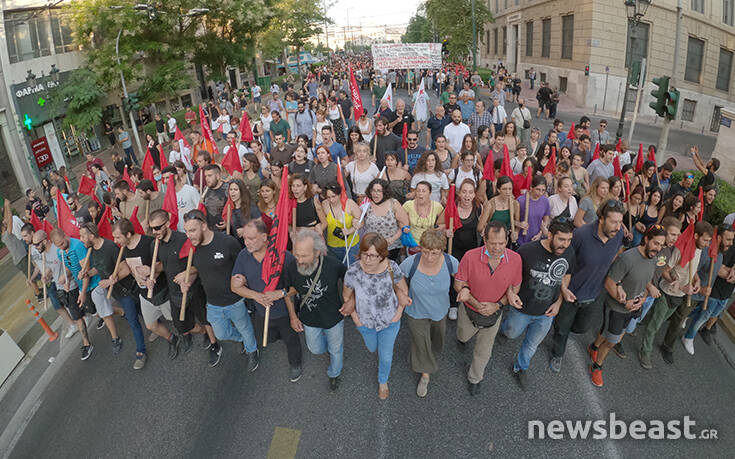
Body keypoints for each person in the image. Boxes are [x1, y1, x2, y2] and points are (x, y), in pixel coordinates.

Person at [549, 200, 625, 373]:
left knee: (581, 328)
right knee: (562, 329)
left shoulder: (618, 234)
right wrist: (562, 290)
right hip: (571, 293)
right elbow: (565, 263)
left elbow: (615, 257)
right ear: (601, 219)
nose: (617, 226)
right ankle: (557, 353)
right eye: (613, 221)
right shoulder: (581, 235)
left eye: (620, 222)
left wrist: (617, 283)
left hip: (594, 294)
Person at [499, 218, 575, 389]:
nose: (565, 244)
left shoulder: (569, 252)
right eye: (561, 239)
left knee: (532, 344)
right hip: (522, 308)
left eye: (569, 240)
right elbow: (510, 275)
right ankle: (503, 330)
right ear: (550, 234)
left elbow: (566, 275)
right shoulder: (527, 251)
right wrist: (510, 293)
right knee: (511, 333)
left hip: (546, 312)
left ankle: (520, 367)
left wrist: (559, 302)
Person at [589, 226, 667, 387]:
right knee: (612, 341)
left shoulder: (653, 259)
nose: (658, 248)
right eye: (656, 243)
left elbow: (646, 281)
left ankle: (594, 346)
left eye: (661, 245)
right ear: (646, 239)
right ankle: (597, 366)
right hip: (617, 308)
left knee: (609, 334)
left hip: (634, 308)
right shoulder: (627, 258)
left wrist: (644, 297)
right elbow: (609, 283)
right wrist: (624, 302)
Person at [183, 209, 259, 369]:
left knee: (244, 327)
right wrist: (187, 281)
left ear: (203, 226)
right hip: (212, 303)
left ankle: (252, 350)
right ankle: (242, 340)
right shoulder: (192, 249)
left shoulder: (226, 242)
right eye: (186, 231)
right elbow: (198, 269)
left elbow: (244, 261)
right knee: (221, 334)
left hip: (234, 299)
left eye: (192, 230)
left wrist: (245, 279)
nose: (189, 235)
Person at [455, 221, 523, 395]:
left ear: (507, 240)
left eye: (501, 243)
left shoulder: (515, 260)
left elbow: (514, 289)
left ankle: (475, 378)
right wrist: (465, 293)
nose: (497, 248)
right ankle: (462, 339)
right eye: (492, 243)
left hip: (494, 314)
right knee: (463, 335)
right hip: (469, 310)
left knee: (483, 352)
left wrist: (498, 305)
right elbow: (459, 282)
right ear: (484, 239)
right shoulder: (470, 257)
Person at [231, 219, 302, 381]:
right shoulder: (243, 256)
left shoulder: (284, 256)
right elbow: (235, 287)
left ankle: (296, 363)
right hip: (261, 310)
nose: (247, 243)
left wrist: (280, 294)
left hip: (285, 311)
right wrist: (256, 295)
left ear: (264, 237)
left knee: (290, 339)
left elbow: (299, 285)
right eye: (245, 239)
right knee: (270, 337)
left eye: (251, 239)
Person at [147, 210, 220, 365]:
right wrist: (151, 275)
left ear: (167, 224)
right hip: (174, 291)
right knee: (180, 323)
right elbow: (162, 266)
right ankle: (202, 332)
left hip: (192, 287)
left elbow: (199, 264)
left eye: (158, 228)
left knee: (204, 317)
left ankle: (214, 344)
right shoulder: (155, 244)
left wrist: (186, 273)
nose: (155, 232)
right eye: (152, 228)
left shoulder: (183, 239)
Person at [343, 233, 410, 400]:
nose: (367, 259)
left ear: (382, 255)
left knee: (386, 355)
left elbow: (404, 290)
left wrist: (398, 314)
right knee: (372, 348)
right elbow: (347, 296)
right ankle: (376, 349)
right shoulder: (353, 271)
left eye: (373, 255)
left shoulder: (391, 268)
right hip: (365, 322)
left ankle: (383, 381)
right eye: (364, 253)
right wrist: (356, 320)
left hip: (390, 321)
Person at [285, 229, 348, 391]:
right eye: (296, 254)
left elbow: (349, 280)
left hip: (334, 316)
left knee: (336, 349)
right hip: (309, 318)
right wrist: (293, 316)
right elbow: (288, 293)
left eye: (304, 255)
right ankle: (330, 348)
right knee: (315, 348)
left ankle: (334, 373)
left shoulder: (333, 265)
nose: (299, 260)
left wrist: (350, 301)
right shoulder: (291, 267)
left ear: (317, 252)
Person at [400, 229, 459, 397]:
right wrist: (402, 293)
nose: (429, 257)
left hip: (440, 311)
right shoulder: (411, 263)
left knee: (436, 338)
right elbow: (396, 277)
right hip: (416, 311)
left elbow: (461, 279)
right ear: (420, 248)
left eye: (434, 253)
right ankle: (425, 373)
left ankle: (420, 353)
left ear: (441, 250)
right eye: (425, 252)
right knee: (421, 340)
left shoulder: (450, 262)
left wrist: (463, 289)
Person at [79, 223, 147, 369]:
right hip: (117, 292)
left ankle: (141, 352)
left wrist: (111, 280)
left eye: (83, 236)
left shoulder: (110, 247)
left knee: (133, 320)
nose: (81, 239)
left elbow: (126, 269)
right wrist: (88, 273)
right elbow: (100, 267)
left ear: (91, 236)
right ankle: (155, 325)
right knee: (142, 314)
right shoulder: (92, 250)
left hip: (127, 289)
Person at [109, 219, 180, 357]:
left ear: (128, 234)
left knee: (177, 320)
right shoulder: (124, 248)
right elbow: (126, 267)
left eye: (118, 237)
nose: (115, 241)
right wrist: (114, 276)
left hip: (161, 291)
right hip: (144, 293)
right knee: (151, 325)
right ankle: (172, 339)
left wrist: (153, 274)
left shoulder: (149, 243)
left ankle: (195, 333)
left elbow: (164, 264)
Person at [51, 228, 121, 360]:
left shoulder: (77, 246)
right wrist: (66, 278)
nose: (61, 247)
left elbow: (86, 271)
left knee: (104, 314)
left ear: (65, 235)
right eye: (58, 246)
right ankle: (122, 312)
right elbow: (71, 267)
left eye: (62, 243)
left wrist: (82, 292)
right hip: (82, 285)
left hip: (95, 282)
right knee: (97, 312)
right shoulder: (61, 252)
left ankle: (115, 338)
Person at [684, 226, 735, 350]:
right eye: (728, 239)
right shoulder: (721, 249)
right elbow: (719, 270)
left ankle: (685, 317)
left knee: (706, 313)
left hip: (724, 293)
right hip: (712, 289)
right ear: (719, 238)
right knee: (704, 315)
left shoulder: (724, 248)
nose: (730, 243)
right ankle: (688, 337)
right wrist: (730, 271)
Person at [28, 230, 78, 339]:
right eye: (33, 244)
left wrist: (65, 276)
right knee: (71, 308)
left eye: (37, 244)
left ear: (45, 241)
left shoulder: (57, 250)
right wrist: (46, 275)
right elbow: (51, 267)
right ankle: (78, 324)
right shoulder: (44, 253)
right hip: (61, 287)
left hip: (71, 284)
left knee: (81, 309)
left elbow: (71, 264)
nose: (35, 247)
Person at [363, 179, 409, 261]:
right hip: (371, 247)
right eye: (373, 190)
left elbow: (405, 225)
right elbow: (360, 221)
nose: (375, 194)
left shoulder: (393, 204)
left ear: (385, 192)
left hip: (390, 247)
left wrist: (392, 239)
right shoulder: (366, 204)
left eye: (379, 191)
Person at [322, 182, 362, 265]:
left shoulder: (349, 203)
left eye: (334, 196)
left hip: (351, 245)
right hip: (333, 246)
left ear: (340, 194)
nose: (331, 200)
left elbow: (361, 222)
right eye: (328, 197)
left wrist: (350, 230)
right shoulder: (325, 204)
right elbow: (323, 222)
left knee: (349, 270)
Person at [403, 182, 444, 255]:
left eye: (423, 191)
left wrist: (440, 228)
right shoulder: (408, 205)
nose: (420, 193)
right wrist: (404, 228)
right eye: (418, 190)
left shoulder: (437, 206)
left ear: (430, 193)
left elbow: (443, 223)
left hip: (430, 246)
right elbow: (401, 221)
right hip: (413, 245)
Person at [516, 175, 551, 246]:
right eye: (538, 189)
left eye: (543, 190)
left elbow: (545, 220)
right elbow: (512, 220)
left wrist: (540, 234)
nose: (540, 193)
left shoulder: (545, 201)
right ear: (531, 187)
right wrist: (520, 224)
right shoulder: (521, 200)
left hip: (537, 240)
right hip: (521, 240)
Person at [202, 164, 228, 230]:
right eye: (206, 176)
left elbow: (235, 208)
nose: (207, 178)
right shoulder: (205, 189)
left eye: (210, 176)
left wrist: (229, 222)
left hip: (224, 231)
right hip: (209, 230)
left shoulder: (228, 189)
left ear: (218, 176)